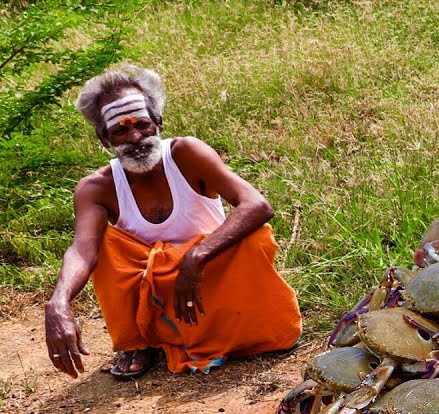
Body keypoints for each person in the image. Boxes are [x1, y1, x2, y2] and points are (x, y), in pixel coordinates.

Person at [44, 65, 301, 379]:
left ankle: (208, 332)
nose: (135, 137)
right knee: (103, 244)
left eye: (142, 124)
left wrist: (196, 256)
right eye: (120, 131)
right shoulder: (97, 188)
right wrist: (58, 302)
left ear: (158, 122)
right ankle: (141, 341)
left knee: (252, 236)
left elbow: (257, 205)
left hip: (209, 281)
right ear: (104, 140)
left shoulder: (187, 154)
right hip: (155, 301)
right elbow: (83, 251)